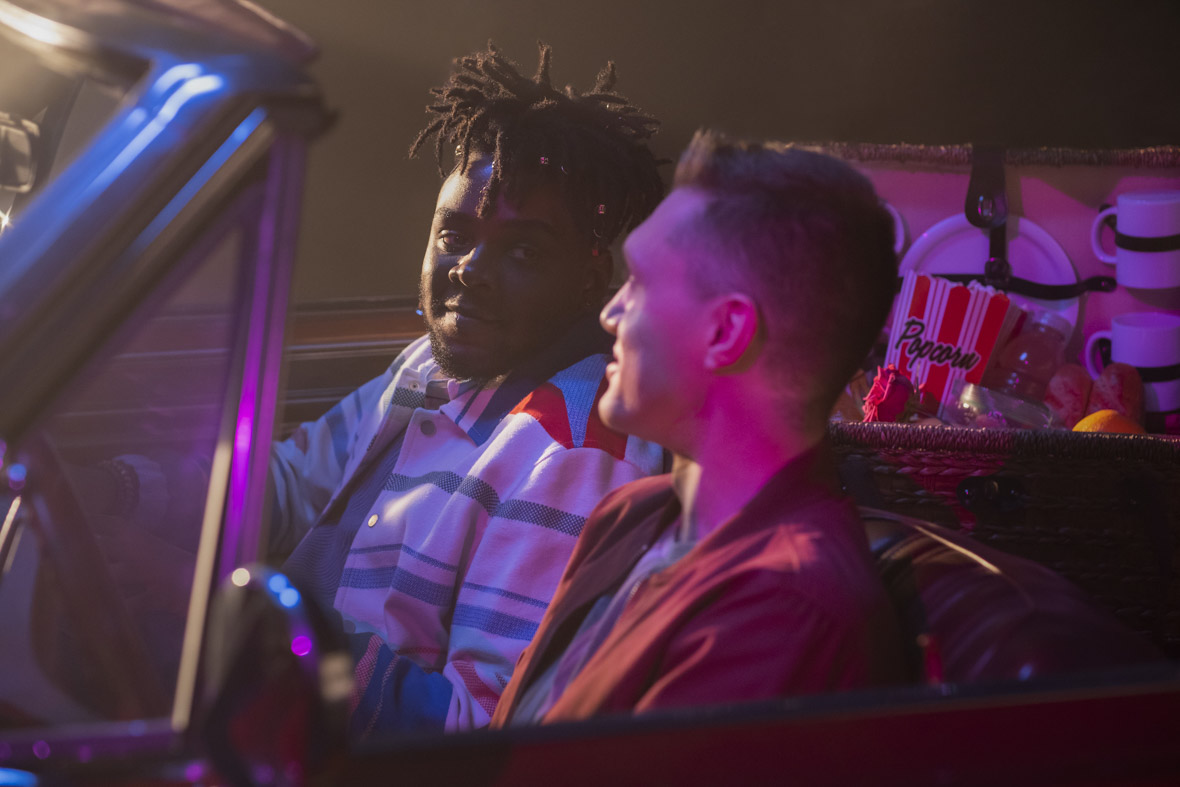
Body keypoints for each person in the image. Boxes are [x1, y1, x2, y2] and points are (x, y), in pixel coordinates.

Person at [270, 43, 666, 734]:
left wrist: (259, 647)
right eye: (456, 233)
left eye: (523, 251)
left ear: (590, 278)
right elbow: (289, 483)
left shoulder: (572, 449)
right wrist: (124, 489)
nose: (470, 271)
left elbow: (471, 730)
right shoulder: (432, 365)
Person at [491, 130, 906, 725]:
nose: (610, 313)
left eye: (639, 282)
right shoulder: (629, 516)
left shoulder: (780, 606)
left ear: (725, 333)